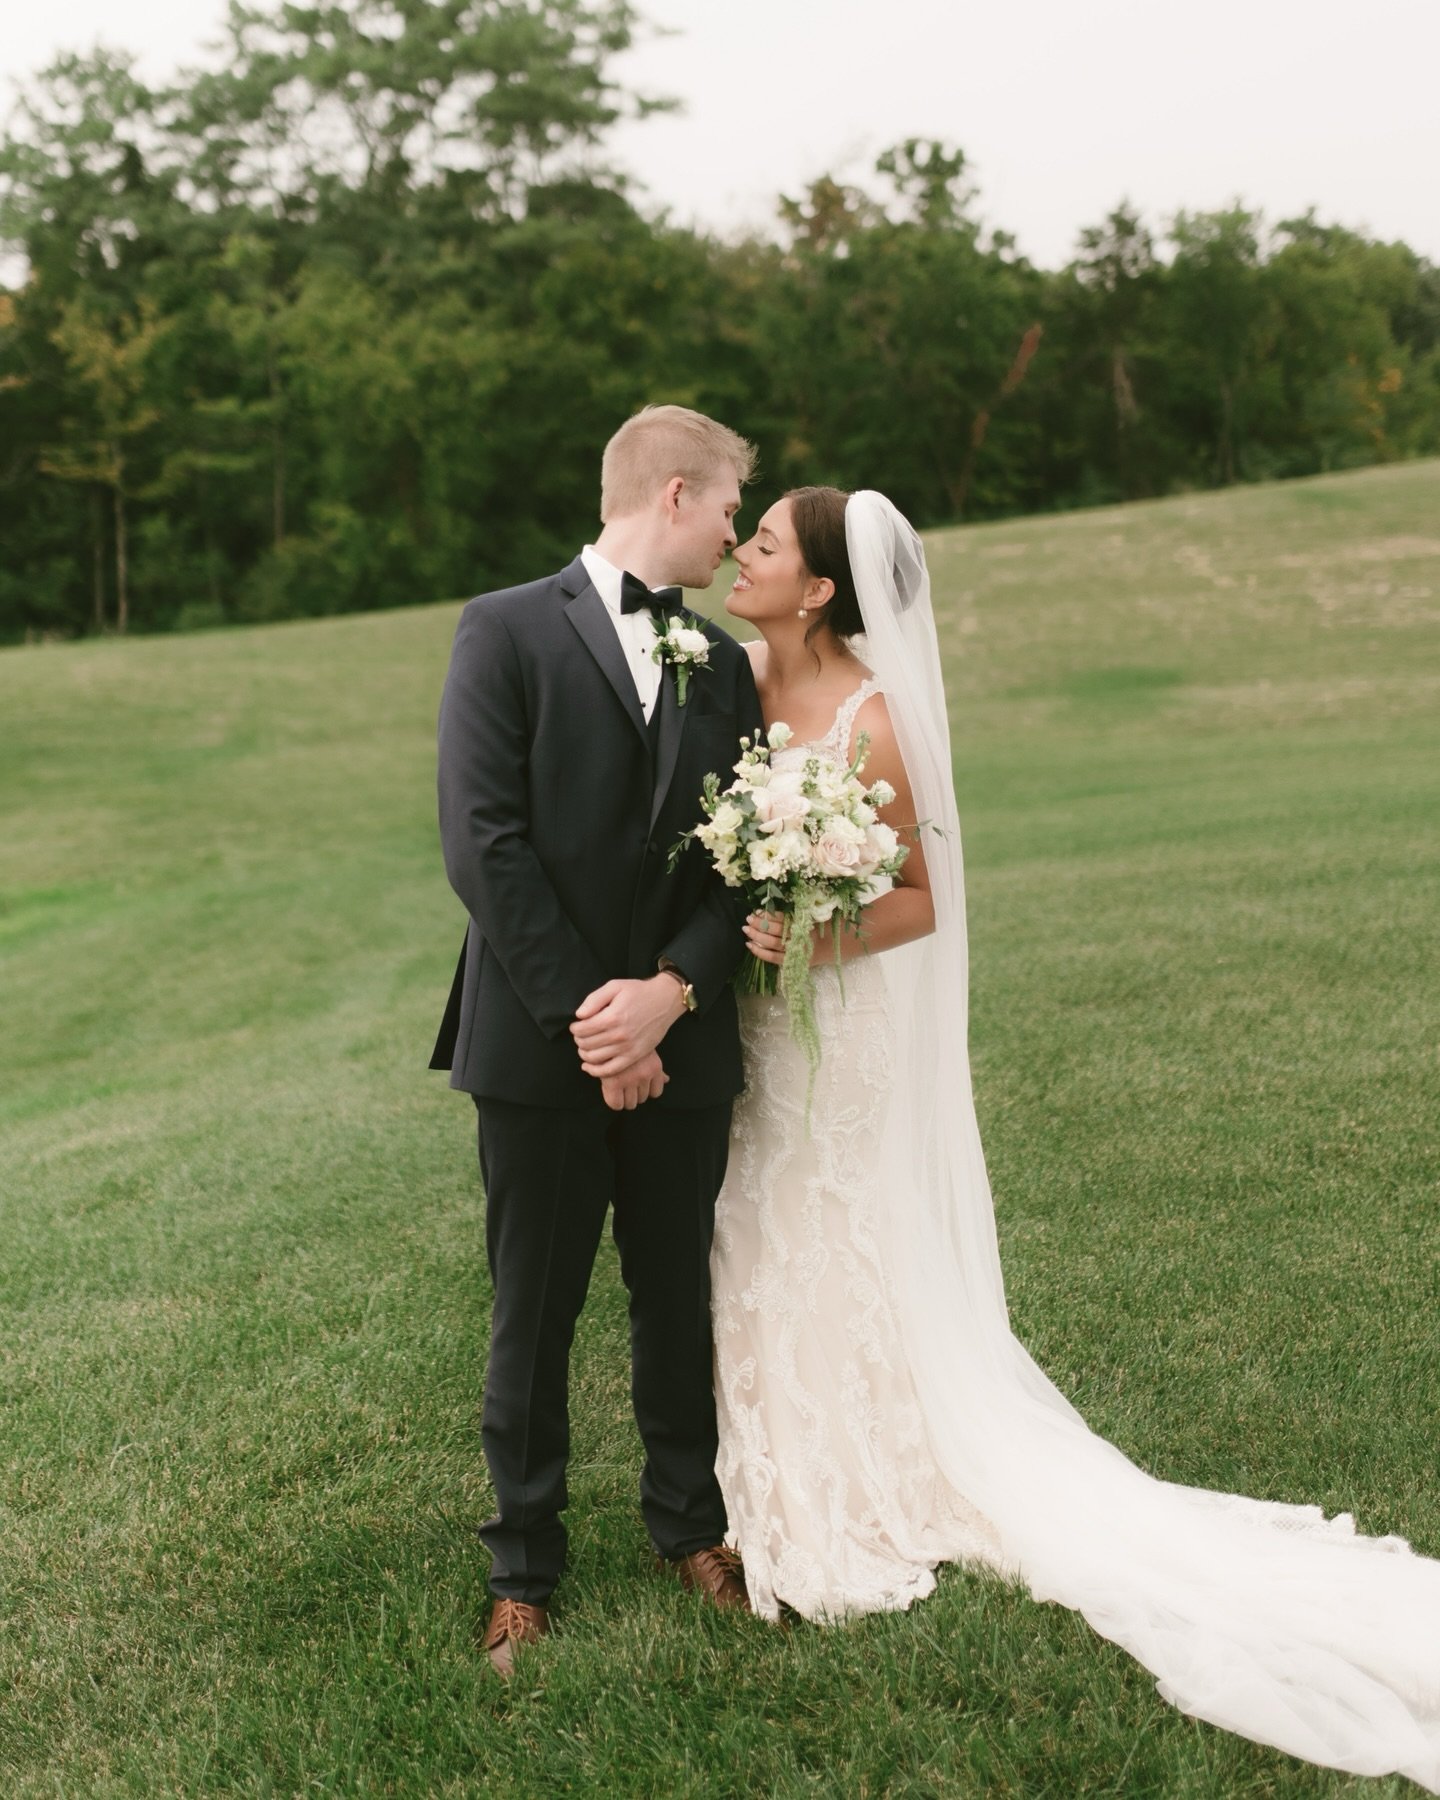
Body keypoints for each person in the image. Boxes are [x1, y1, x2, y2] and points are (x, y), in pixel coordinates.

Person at [713, 484, 1440, 1791]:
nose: (739, 553)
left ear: (818, 587)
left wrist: (807, 928)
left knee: (832, 1217)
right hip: (763, 1033)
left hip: (845, 1024)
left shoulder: (876, 719)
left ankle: (867, 1465)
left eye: (762, 543)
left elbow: (920, 901)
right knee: (757, 1215)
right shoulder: (731, 679)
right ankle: (771, 1445)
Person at [431, 405, 765, 1676]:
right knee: (536, 1306)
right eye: (732, 504)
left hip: (683, 1040)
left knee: (678, 1294)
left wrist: (670, 995)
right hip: (538, 1046)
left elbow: (746, 863)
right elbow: (485, 844)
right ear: (674, 495)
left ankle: (692, 1525)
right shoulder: (504, 627)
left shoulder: (724, 664)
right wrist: (598, 1019)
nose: (738, 531)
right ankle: (523, 1567)